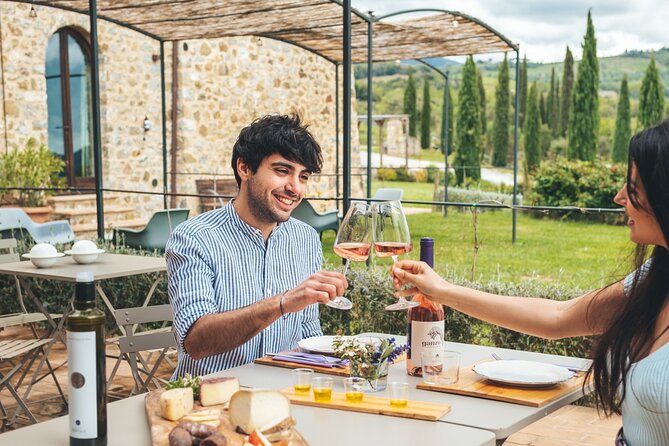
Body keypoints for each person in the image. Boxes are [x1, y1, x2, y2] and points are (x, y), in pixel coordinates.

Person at [392, 119, 669, 446]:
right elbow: (558, 318)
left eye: (634, 187)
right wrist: (441, 290)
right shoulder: (655, 277)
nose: (619, 196)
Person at [166, 113, 347, 378]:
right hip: (210, 402)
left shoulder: (306, 239)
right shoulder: (194, 238)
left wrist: (339, 368)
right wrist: (282, 303)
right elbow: (196, 342)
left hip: (284, 397)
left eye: (303, 176)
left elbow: (308, 331)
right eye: (282, 171)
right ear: (244, 168)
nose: (295, 188)